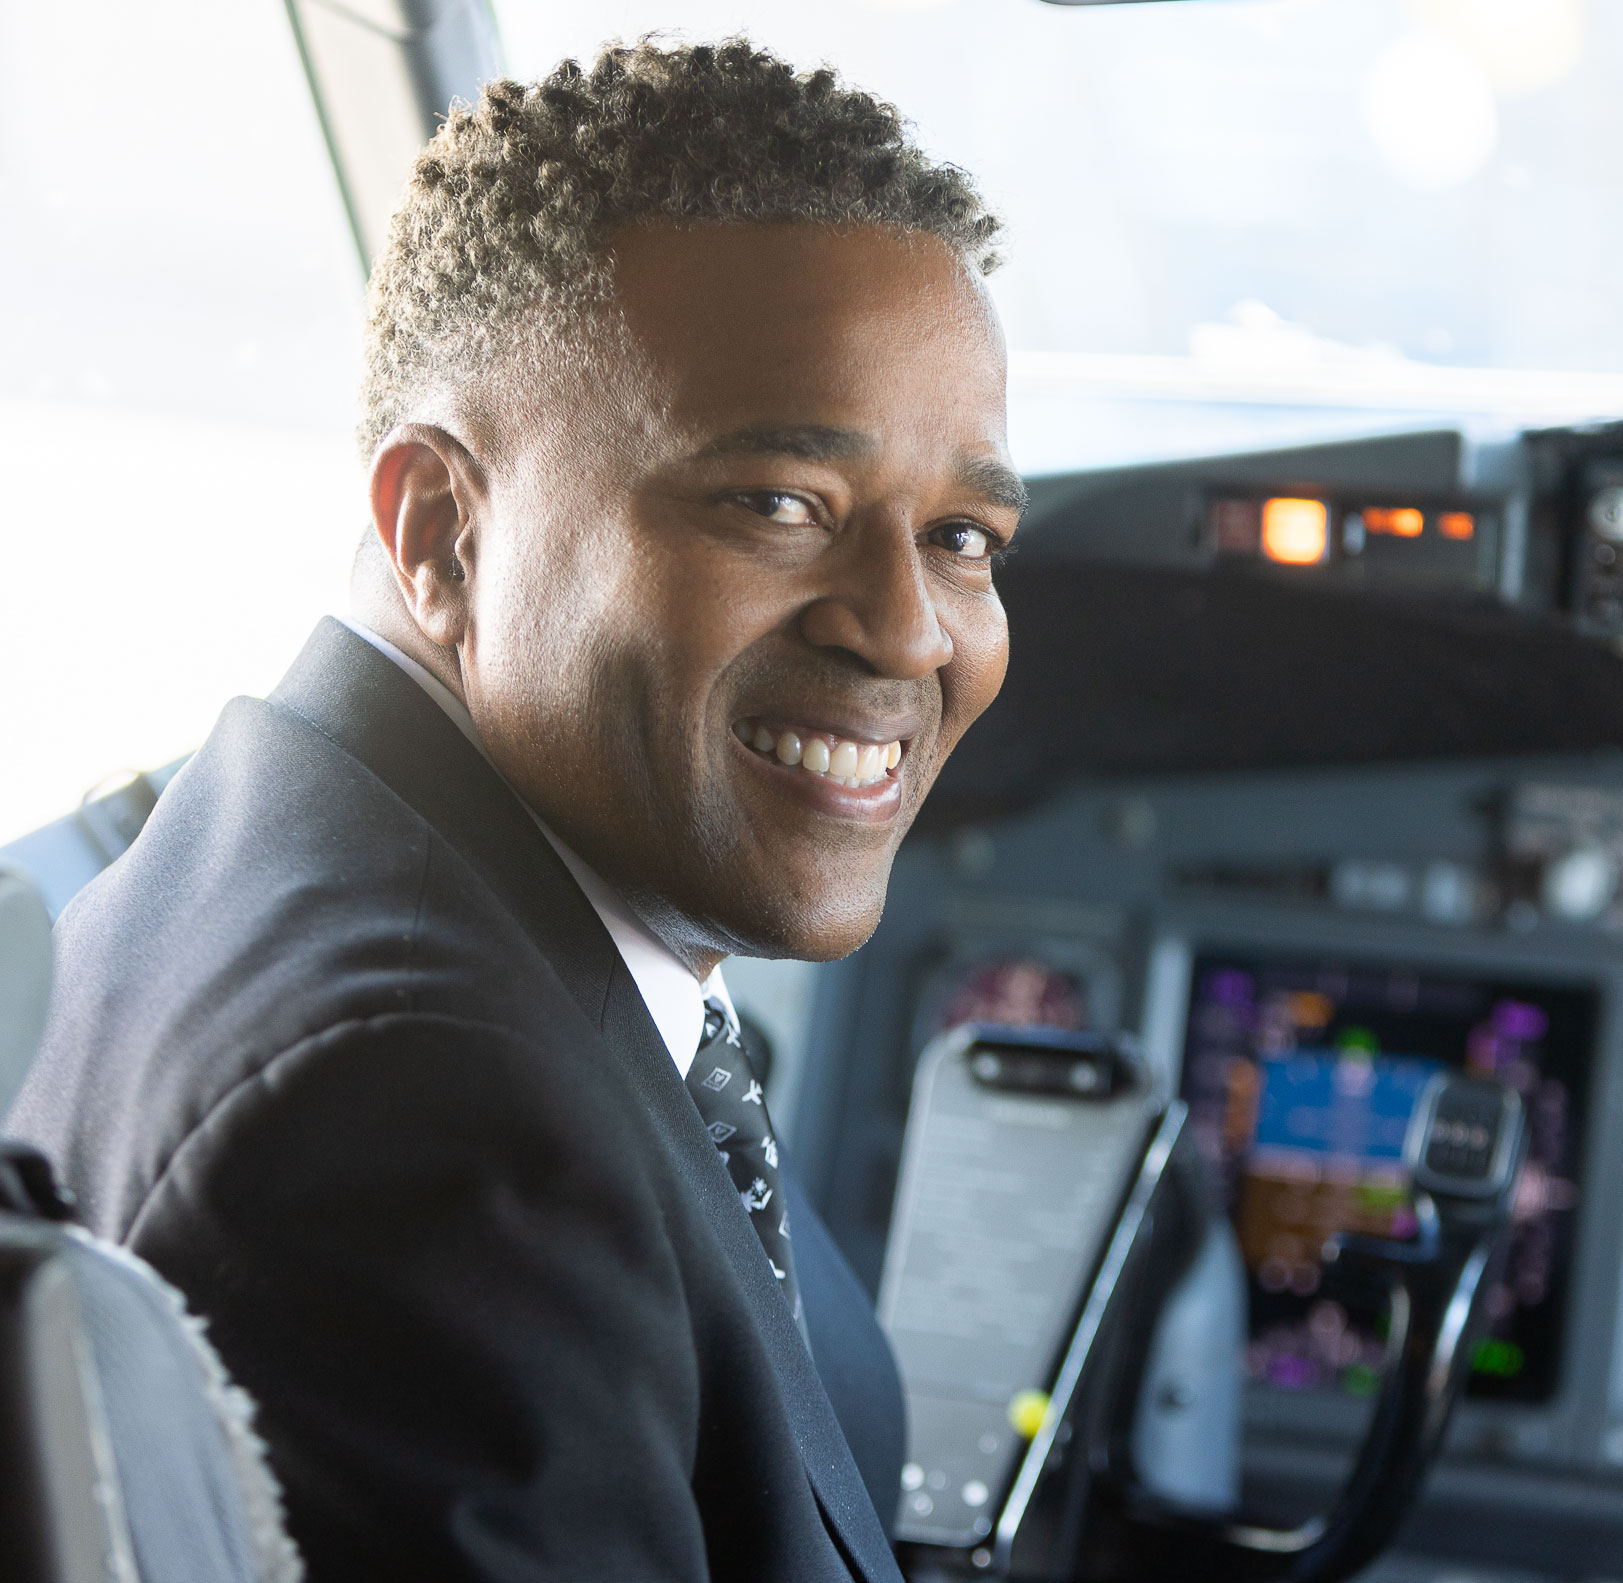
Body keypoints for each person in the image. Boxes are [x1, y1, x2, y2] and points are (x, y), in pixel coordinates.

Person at [8, 36, 1023, 1582]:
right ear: (440, 532)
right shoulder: (435, 1117)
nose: (904, 629)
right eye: (777, 506)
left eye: (961, 536)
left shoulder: (264, 839)